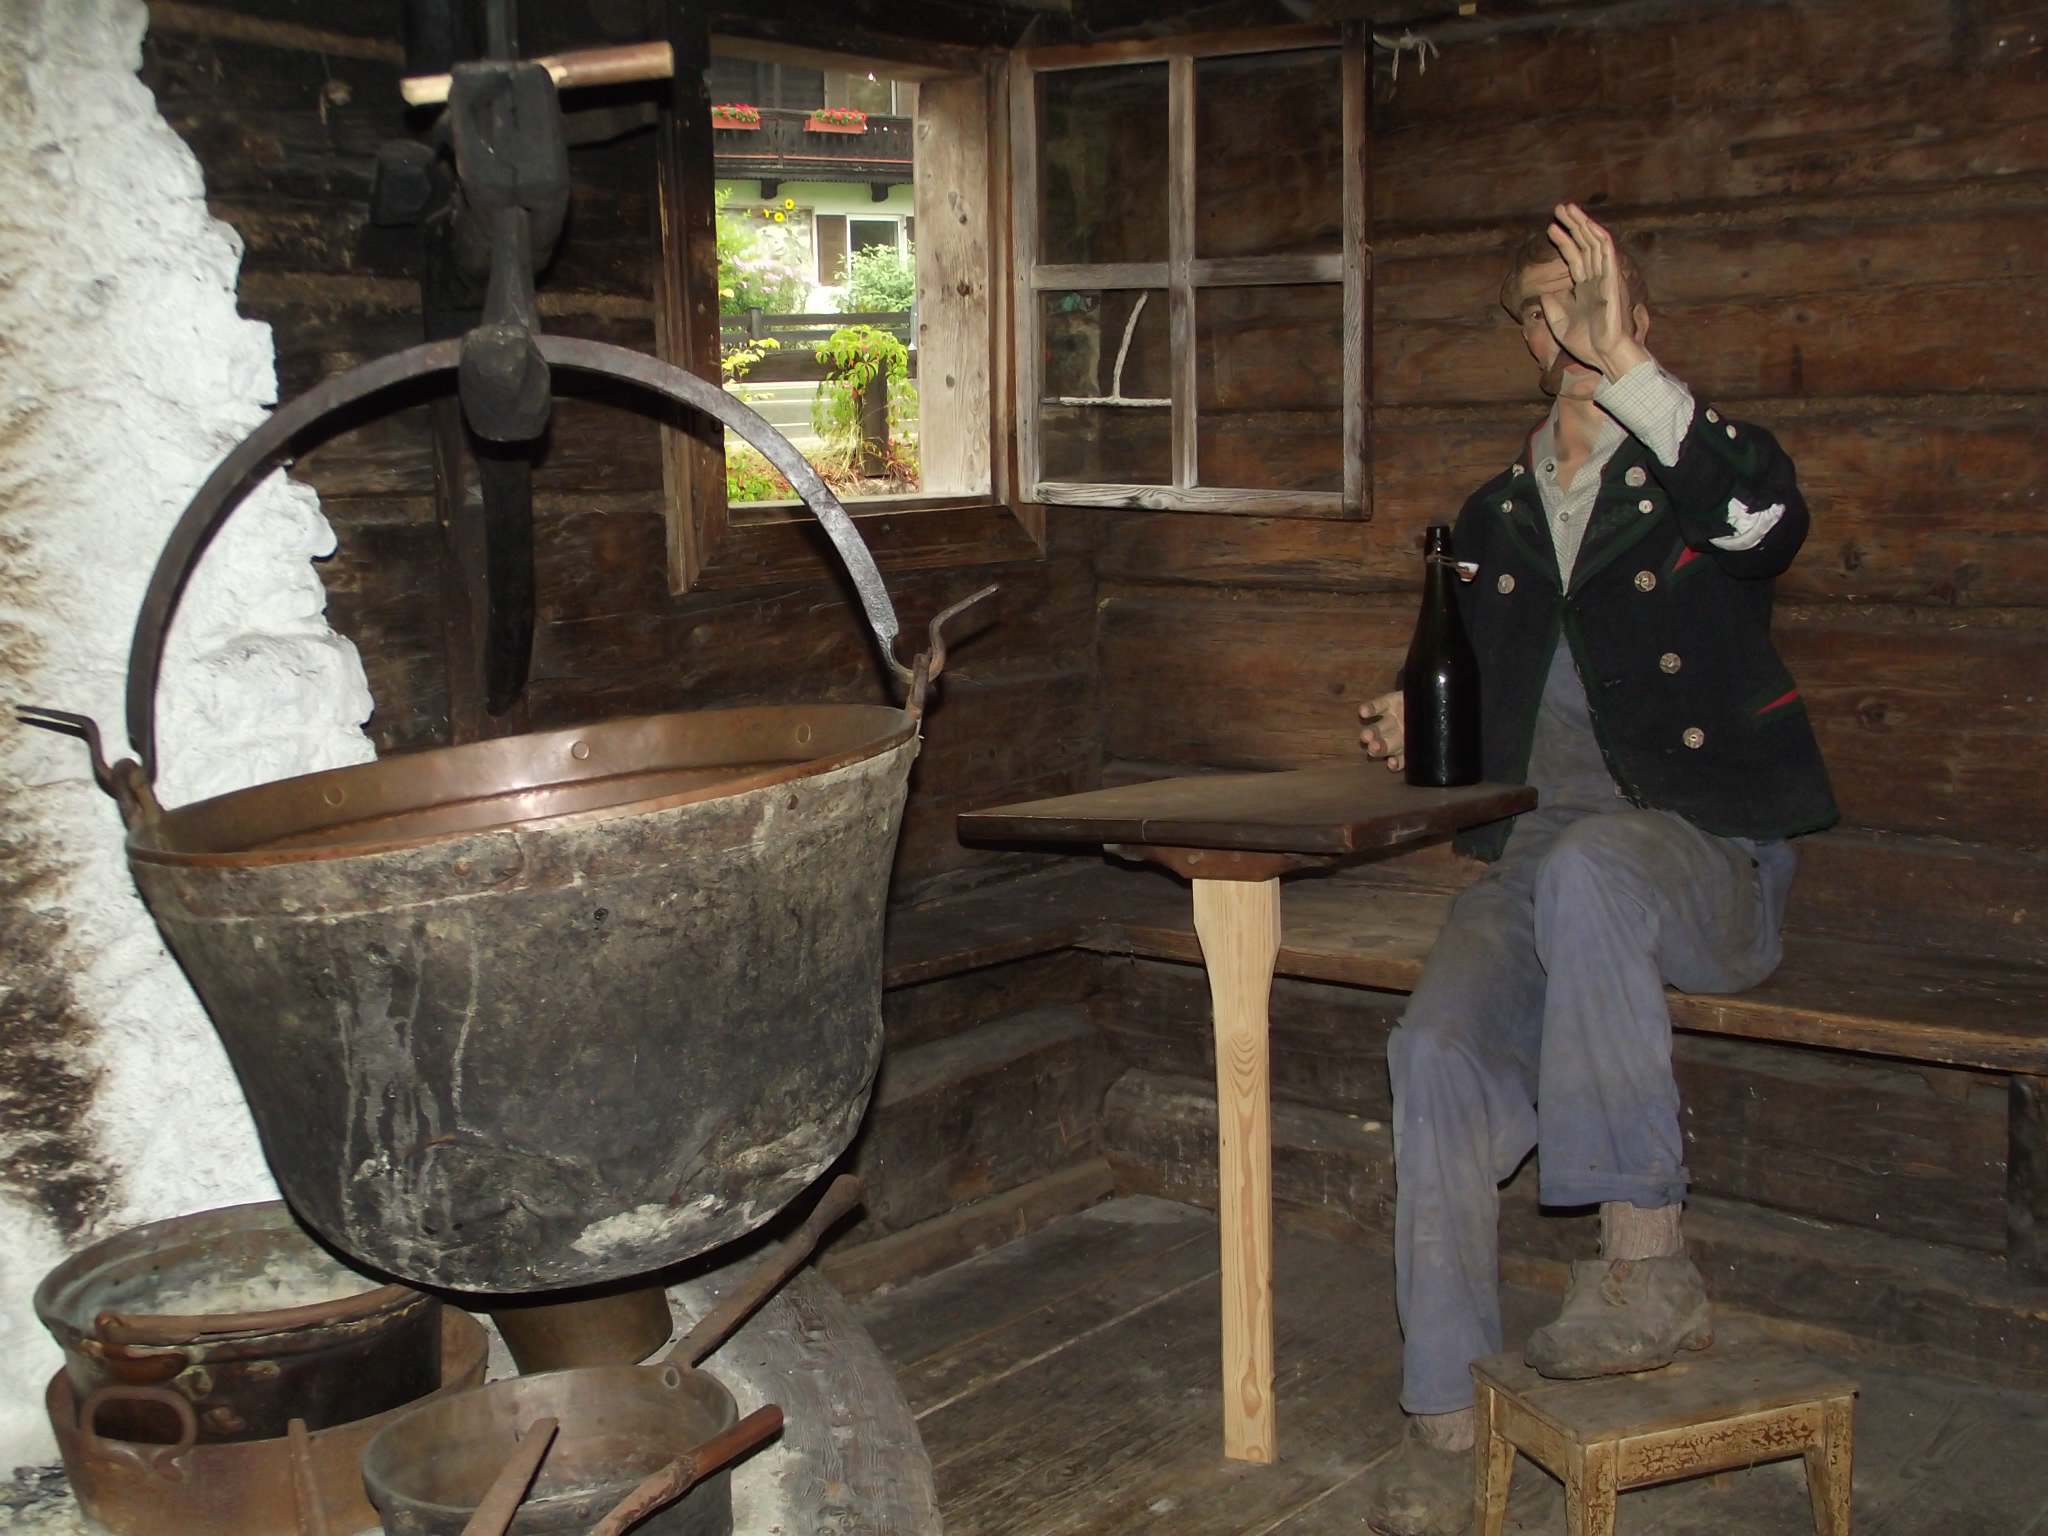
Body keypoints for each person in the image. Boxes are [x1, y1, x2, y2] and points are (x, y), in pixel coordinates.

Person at [1355, 205, 1837, 1536]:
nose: (1560, 323)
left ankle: (1645, 1263)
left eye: (1588, 298)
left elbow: (1767, 520)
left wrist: (1630, 370)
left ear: (1634, 315)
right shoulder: (1493, 518)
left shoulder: (1699, 474)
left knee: (1594, 875)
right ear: (1520, 338)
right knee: (1437, 1045)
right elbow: (1485, 711)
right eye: (1540, 306)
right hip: (1539, 862)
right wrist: (1418, 729)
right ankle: (1448, 1386)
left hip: (1700, 858)